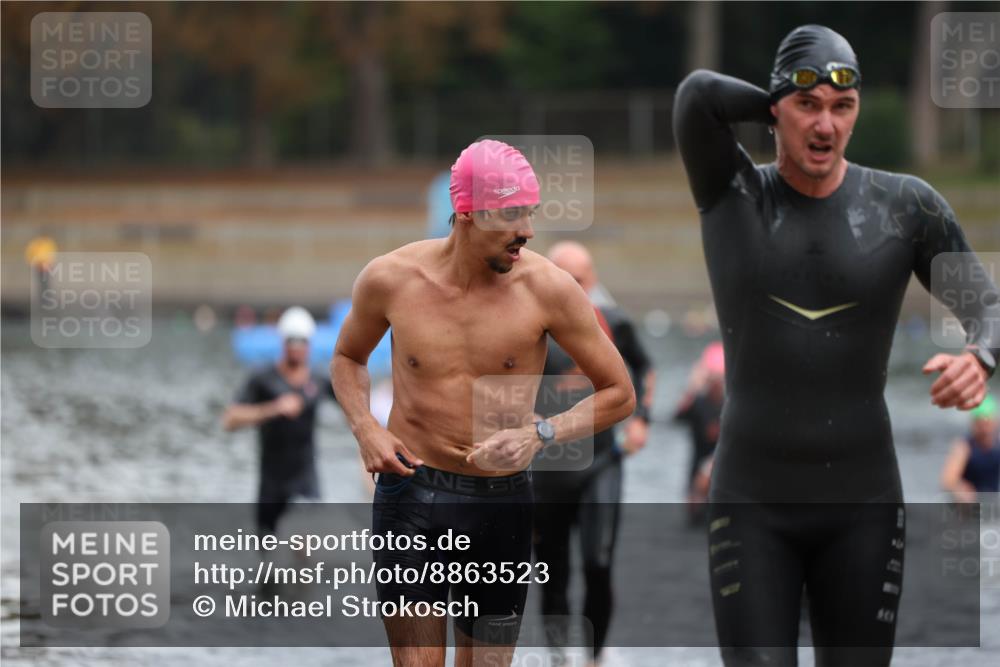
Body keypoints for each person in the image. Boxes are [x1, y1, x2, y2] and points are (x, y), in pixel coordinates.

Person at [672, 24, 1000, 667]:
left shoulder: (905, 207)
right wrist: (782, 94)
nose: (825, 125)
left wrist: (980, 358)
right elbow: (697, 95)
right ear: (773, 110)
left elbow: (988, 308)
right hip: (750, 503)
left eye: (842, 107)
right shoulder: (733, 195)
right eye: (808, 106)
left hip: (864, 505)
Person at [331, 139, 635, 667]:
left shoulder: (549, 289)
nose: (529, 231)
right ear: (468, 212)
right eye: (514, 214)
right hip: (411, 493)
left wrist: (541, 434)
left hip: (500, 505)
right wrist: (365, 428)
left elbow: (620, 393)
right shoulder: (391, 279)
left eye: (531, 214)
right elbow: (346, 358)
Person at [532, 241, 655, 667]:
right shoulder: (526, 327)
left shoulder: (613, 322)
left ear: (594, 280)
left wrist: (643, 420)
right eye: (565, 280)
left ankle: (596, 656)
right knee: (553, 574)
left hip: (601, 461)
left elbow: (643, 368)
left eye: (582, 281)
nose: (575, 290)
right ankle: (558, 657)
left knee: (597, 562)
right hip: (546, 468)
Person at [223, 306, 335, 536]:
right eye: (291, 340)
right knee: (270, 558)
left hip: (305, 480)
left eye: (301, 341)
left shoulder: (319, 380)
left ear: (309, 344)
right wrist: (273, 409)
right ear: (282, 342)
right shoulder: (263, 378)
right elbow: (230, 420)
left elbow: (354, 411)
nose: (296, 346)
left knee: (303, 543)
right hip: (271, 482)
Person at [674, 341, 725, 521]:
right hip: (698, 465)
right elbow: (677, 418)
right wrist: (692, 388)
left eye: (719, 379)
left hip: (719, 466)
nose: (716, 384)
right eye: (713, 379)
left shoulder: (731, 405)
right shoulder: (698, 402)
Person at [942, 394, 999, 502]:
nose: (984, 428)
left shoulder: (998, 444)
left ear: (995, 423)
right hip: (970, 503)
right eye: (980, 423)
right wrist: (960, 488)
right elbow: (948, 481)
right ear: (973, 423)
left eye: (987, 423)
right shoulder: (964, 447)